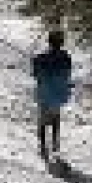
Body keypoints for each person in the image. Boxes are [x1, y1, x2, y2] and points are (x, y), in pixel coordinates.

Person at [32, 30, 73, 161]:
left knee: (42, 121)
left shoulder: (40, 58)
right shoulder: (66, 58)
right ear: (61, 43)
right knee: (56, 119)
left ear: (49, 42)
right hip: (59, 94)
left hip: (44, 94)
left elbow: (36, 75)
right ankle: (55, 144)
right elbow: (67, 75)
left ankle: (43, 146)